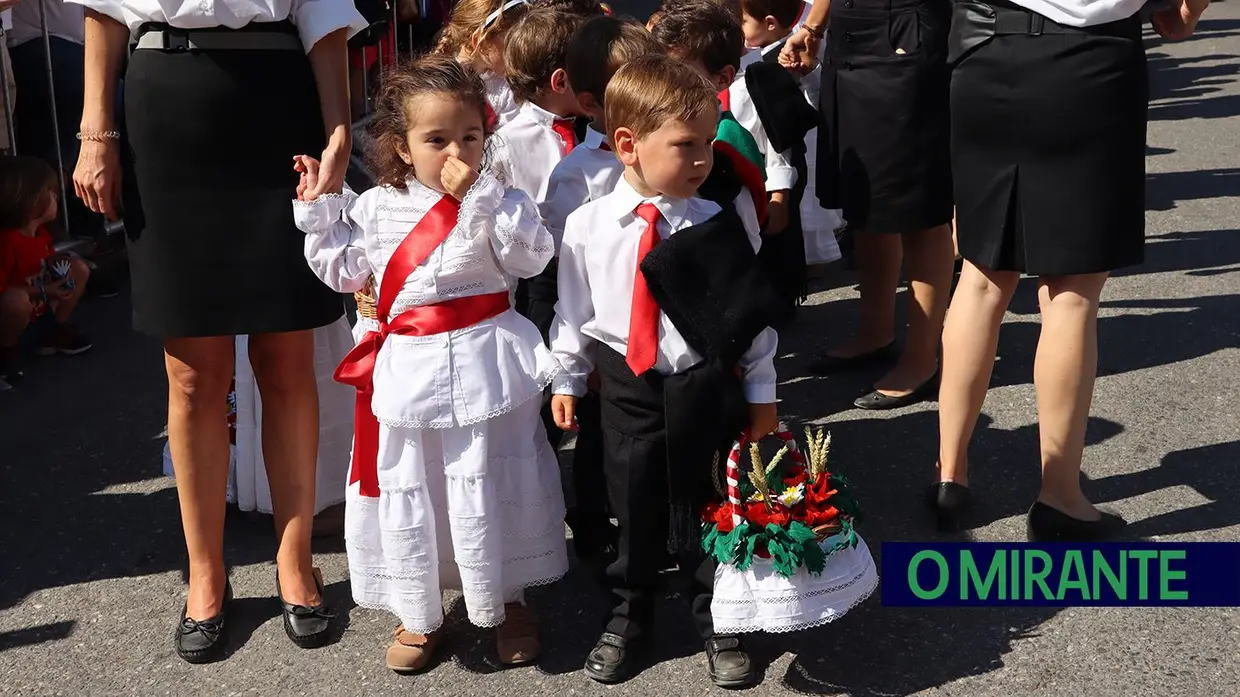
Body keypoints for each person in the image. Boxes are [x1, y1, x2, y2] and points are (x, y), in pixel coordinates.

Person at [68, 0, 368, 663]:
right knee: (194, 373)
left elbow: (323, 10)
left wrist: (338, 128)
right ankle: (205, 574)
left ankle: (295, 563)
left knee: (288, 356)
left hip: (279, 106)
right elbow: (105, 9)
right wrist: (95, 131)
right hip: (167, 110)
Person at [295, 55, 568, 674]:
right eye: (436, 138)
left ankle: (508, 597)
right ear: (401, 145)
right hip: (408, 371)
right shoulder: (376, 207)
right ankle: (418, 608)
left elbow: (528, 259)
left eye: (469, 136)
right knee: (415, 481)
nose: (456, 150)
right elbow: (344, 272)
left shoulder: (500, 198)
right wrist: (322, 204)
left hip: (487, 365)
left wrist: (484, 196)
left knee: (491, 475)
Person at [929, 0, 1212, 537]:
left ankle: (950, 475)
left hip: (983, 52)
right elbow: (1177, 16)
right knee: (1072, 290)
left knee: (982, 276)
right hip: (1087, 63)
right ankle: (1059, 496)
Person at [549, 54, 780, 688]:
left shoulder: (720, 223)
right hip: (628, 387)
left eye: (709, 141)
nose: (704, 158)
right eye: (687, 145)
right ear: (627, 145)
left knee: (711, 504)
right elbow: (574, 312)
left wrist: (762, 394)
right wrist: (566, 380)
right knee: (635, 505)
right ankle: (630, 614)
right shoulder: (589, 227)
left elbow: (752, 318)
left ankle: (719, 616)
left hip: (706, 387)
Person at [781, 0, 956, 411]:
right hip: (851, 28)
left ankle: (922, 358)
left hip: (908, 29)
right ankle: (876, 332)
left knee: (918, 208)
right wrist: (814, 27)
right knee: (864, 194)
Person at [537, 13, 661, 568]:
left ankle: (658, 522)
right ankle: (590, 522)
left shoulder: (668, 158)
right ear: (592, 104)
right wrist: (574, 355)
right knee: (597, 435)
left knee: (652, 432)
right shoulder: (576, 175)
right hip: (604, 329)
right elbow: (568, 270)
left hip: (662, 322)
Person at [738, 0, 843, 270]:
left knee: (804, 203)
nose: (740, 30)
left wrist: (800, 74)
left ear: (770, 24)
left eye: (744, 23)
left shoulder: (804, 38)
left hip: (798, 146)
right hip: (786, 149)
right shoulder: (758, 50)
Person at [0, 155, 92, 388]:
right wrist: (45, 288)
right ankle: (5, 352)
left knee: (78, 268)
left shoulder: (41, 235)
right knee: (16, 300)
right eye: (49, 192)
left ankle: (53, 331)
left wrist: (60, 269)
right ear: (29, 202)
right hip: (15, 317)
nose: (55, 197)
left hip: (38, 312)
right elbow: (4, 292)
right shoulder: (7, 242)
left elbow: (46, 263)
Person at [435, 0, 531, 128]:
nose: (519, 56)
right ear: (481, 41)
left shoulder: (507, 87)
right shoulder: (437, 82)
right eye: (512, 47)